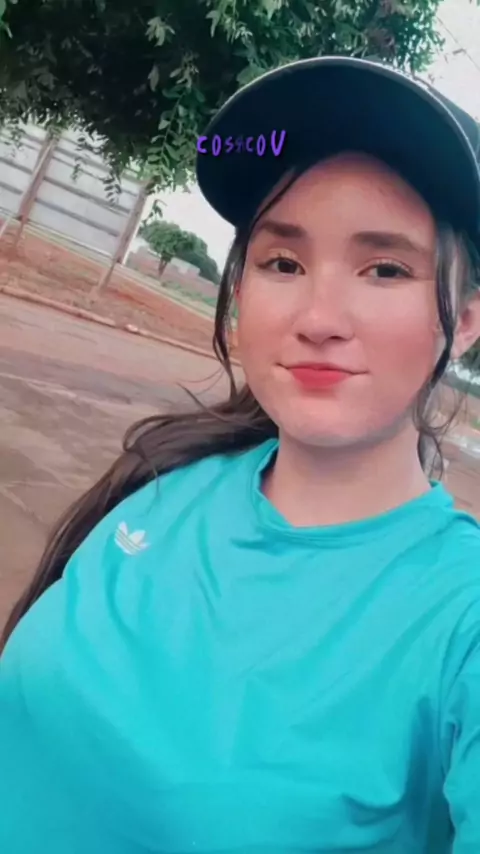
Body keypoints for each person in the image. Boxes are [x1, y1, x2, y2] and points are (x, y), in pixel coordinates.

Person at [1, 56, 480, 854]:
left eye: (385, 269)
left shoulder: (460, 617)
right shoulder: (162, 474)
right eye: (283, 263)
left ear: (463, 322)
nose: (319, 317)